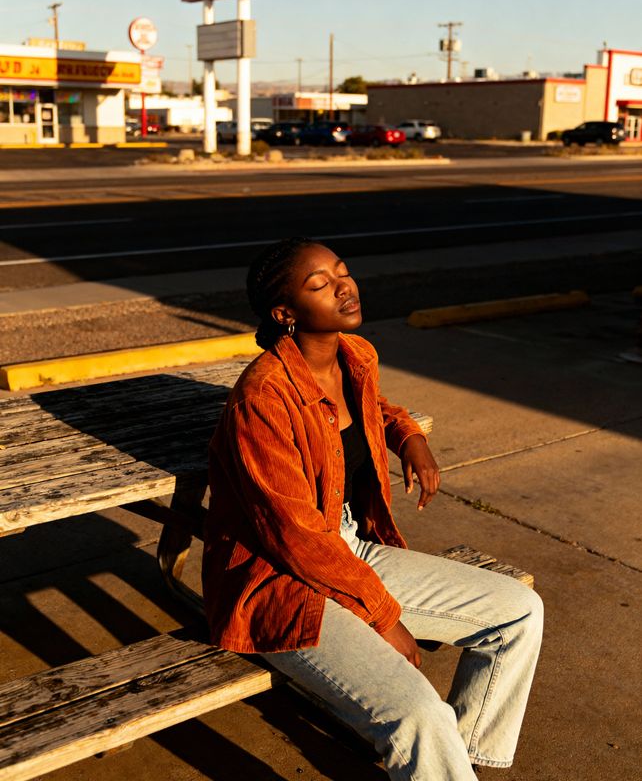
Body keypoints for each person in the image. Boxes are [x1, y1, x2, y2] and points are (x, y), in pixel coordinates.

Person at [202, 237, 543, 780]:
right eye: (320, 284)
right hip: (278, 581)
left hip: (348, 549)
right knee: (417, 712)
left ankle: (461, 760)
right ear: (285, 313)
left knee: (520, 612)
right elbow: (295, 537)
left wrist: (408, 436)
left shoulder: (354, 355)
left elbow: (374, 407)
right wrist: (384, 618)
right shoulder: (262, 399)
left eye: (342, 272)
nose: (344, 287)